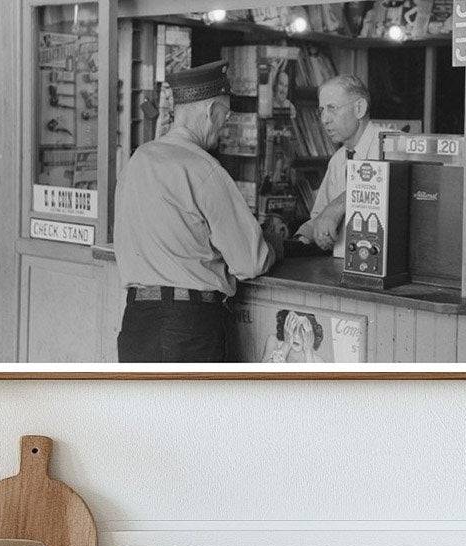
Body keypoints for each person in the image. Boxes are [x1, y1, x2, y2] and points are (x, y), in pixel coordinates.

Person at [113, 59, 283, 362]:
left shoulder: (138, 160)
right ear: (211, 112)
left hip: (137, 323)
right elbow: (250, 262)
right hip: (188, 327)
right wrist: (278, 244)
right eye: (226, 115)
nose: (225, 125)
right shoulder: (204, 170)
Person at [295, 74, 373, 255]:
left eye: (332, 108)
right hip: (340, 262)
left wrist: (336, 207)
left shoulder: (391, 146)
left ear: (359, 108)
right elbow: (320, 216)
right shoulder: (338, 159)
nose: (324, 120)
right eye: (321, 110)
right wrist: (301, 238)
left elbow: (383, 186)